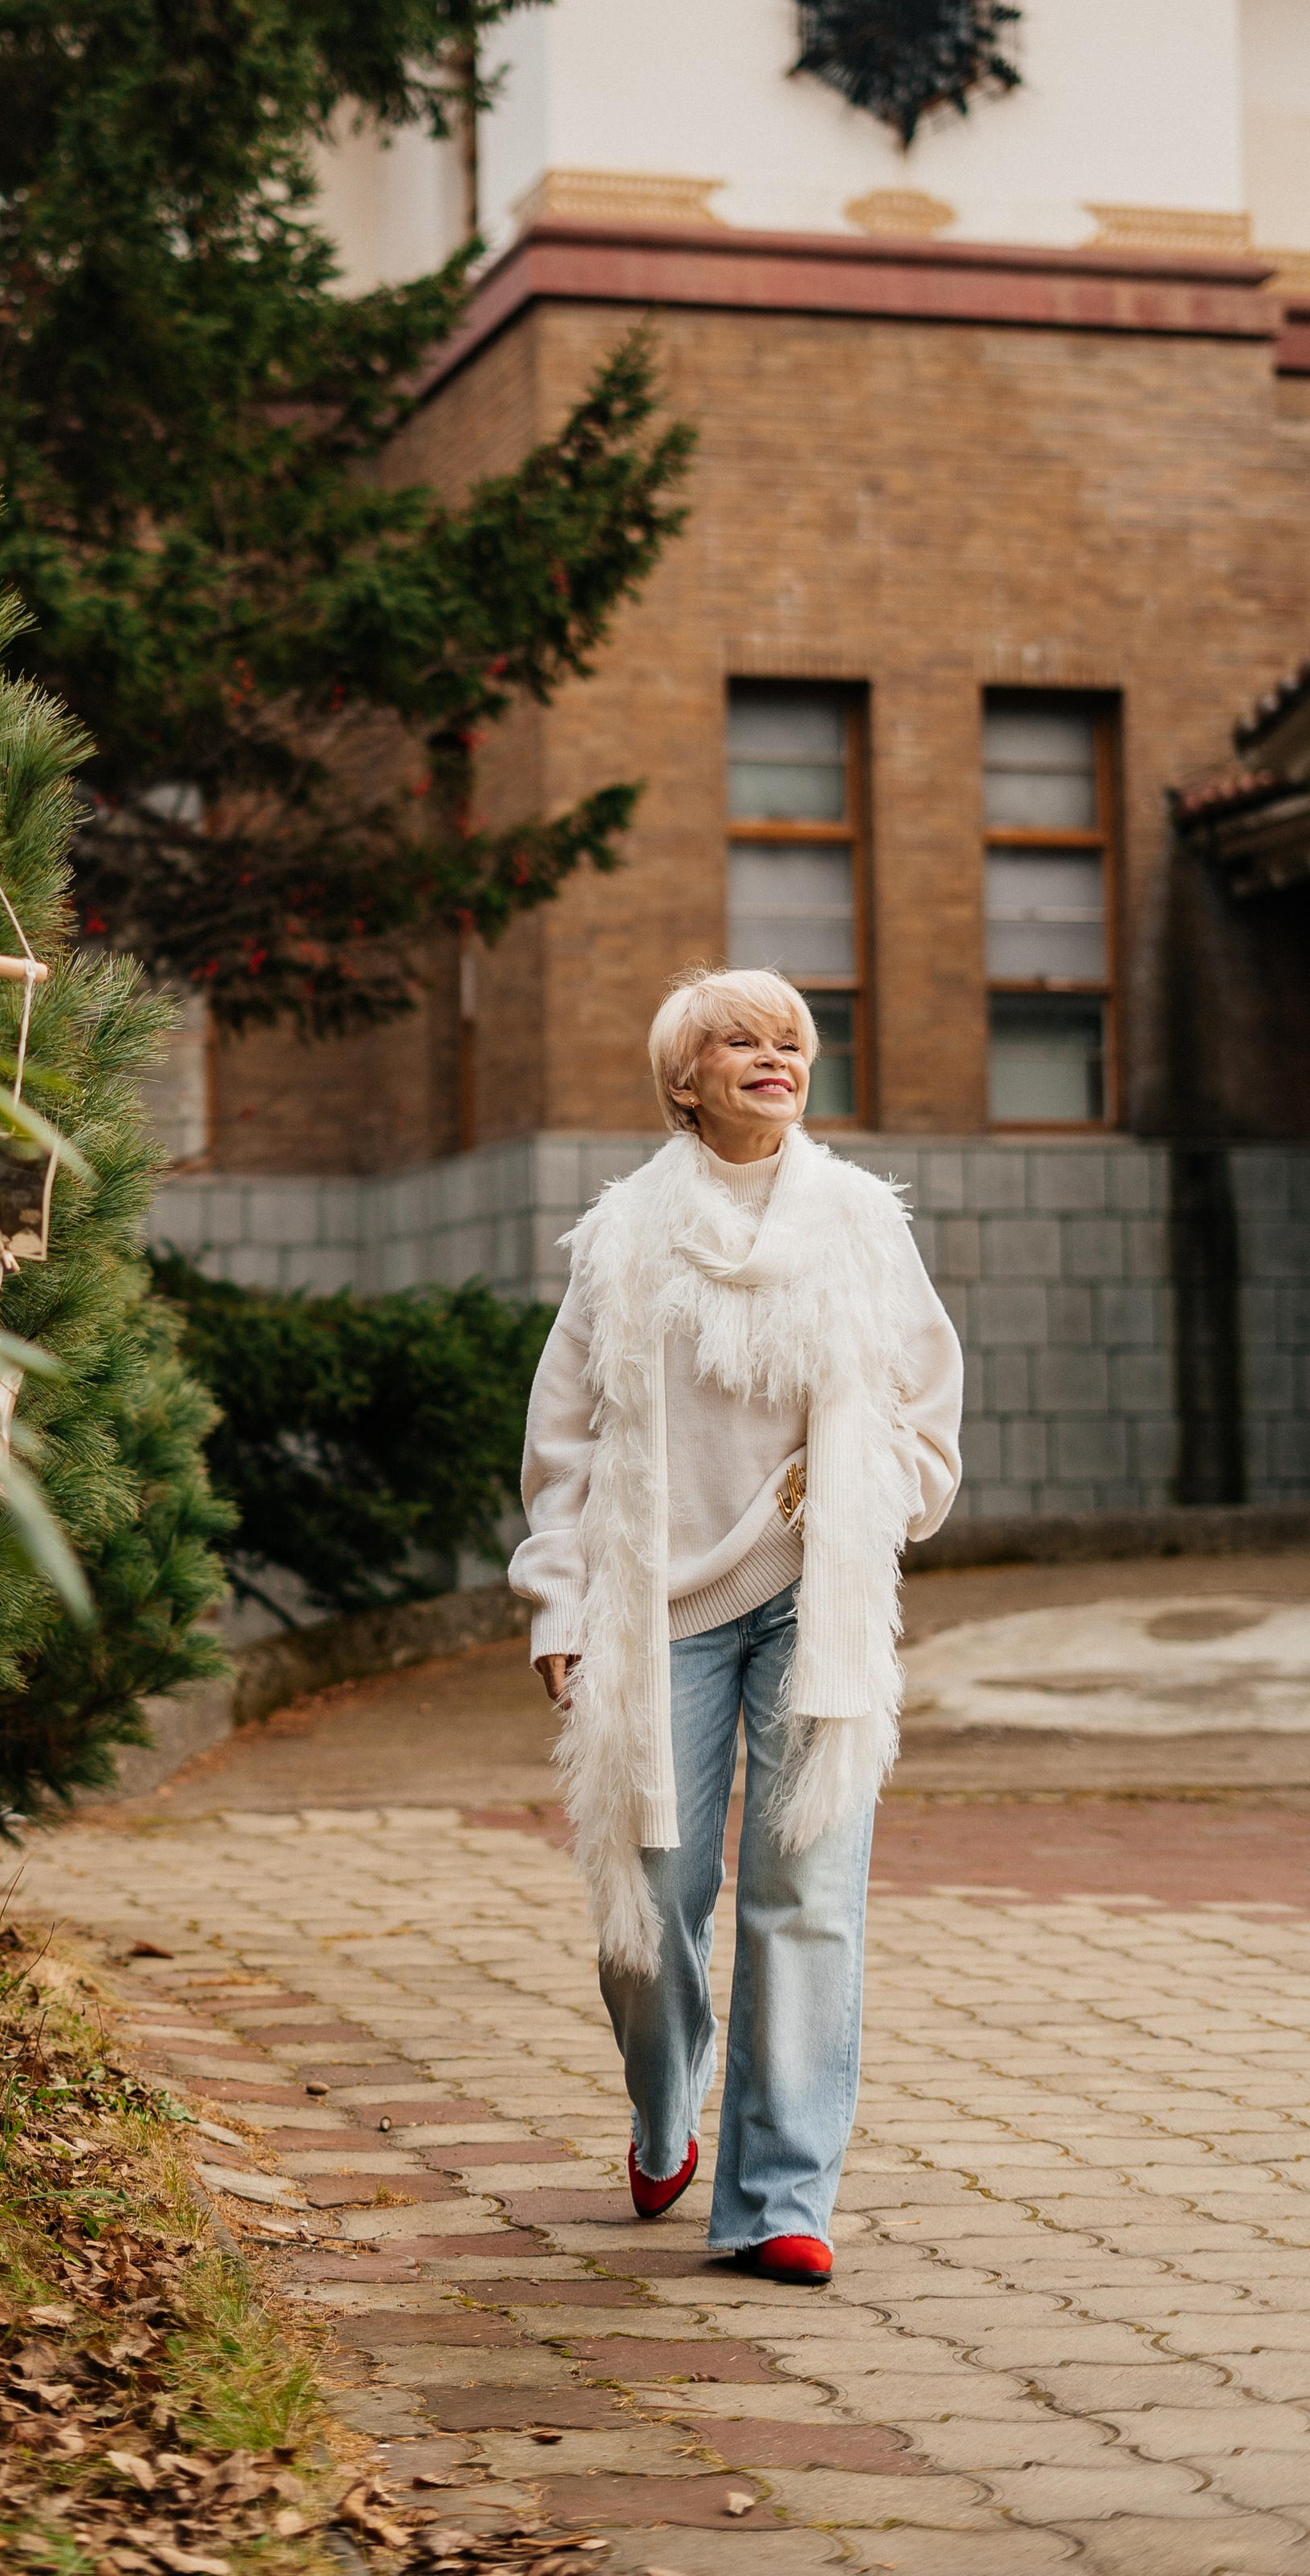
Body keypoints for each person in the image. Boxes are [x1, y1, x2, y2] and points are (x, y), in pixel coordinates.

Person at [511, 967, 963, 2285]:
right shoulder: (625, 1237)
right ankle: (665, 2105)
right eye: (741, 1040)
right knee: (653, 1897)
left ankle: (779, 2198)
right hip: (658, 1607)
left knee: (804, 1893)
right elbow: (566, 1444)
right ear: (684, 1080)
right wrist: (559, 1601)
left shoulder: (860, 1222)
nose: (776, 1056)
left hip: (816, 1598)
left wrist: (872, 1490)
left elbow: (924, 1405)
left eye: (793, 1041)